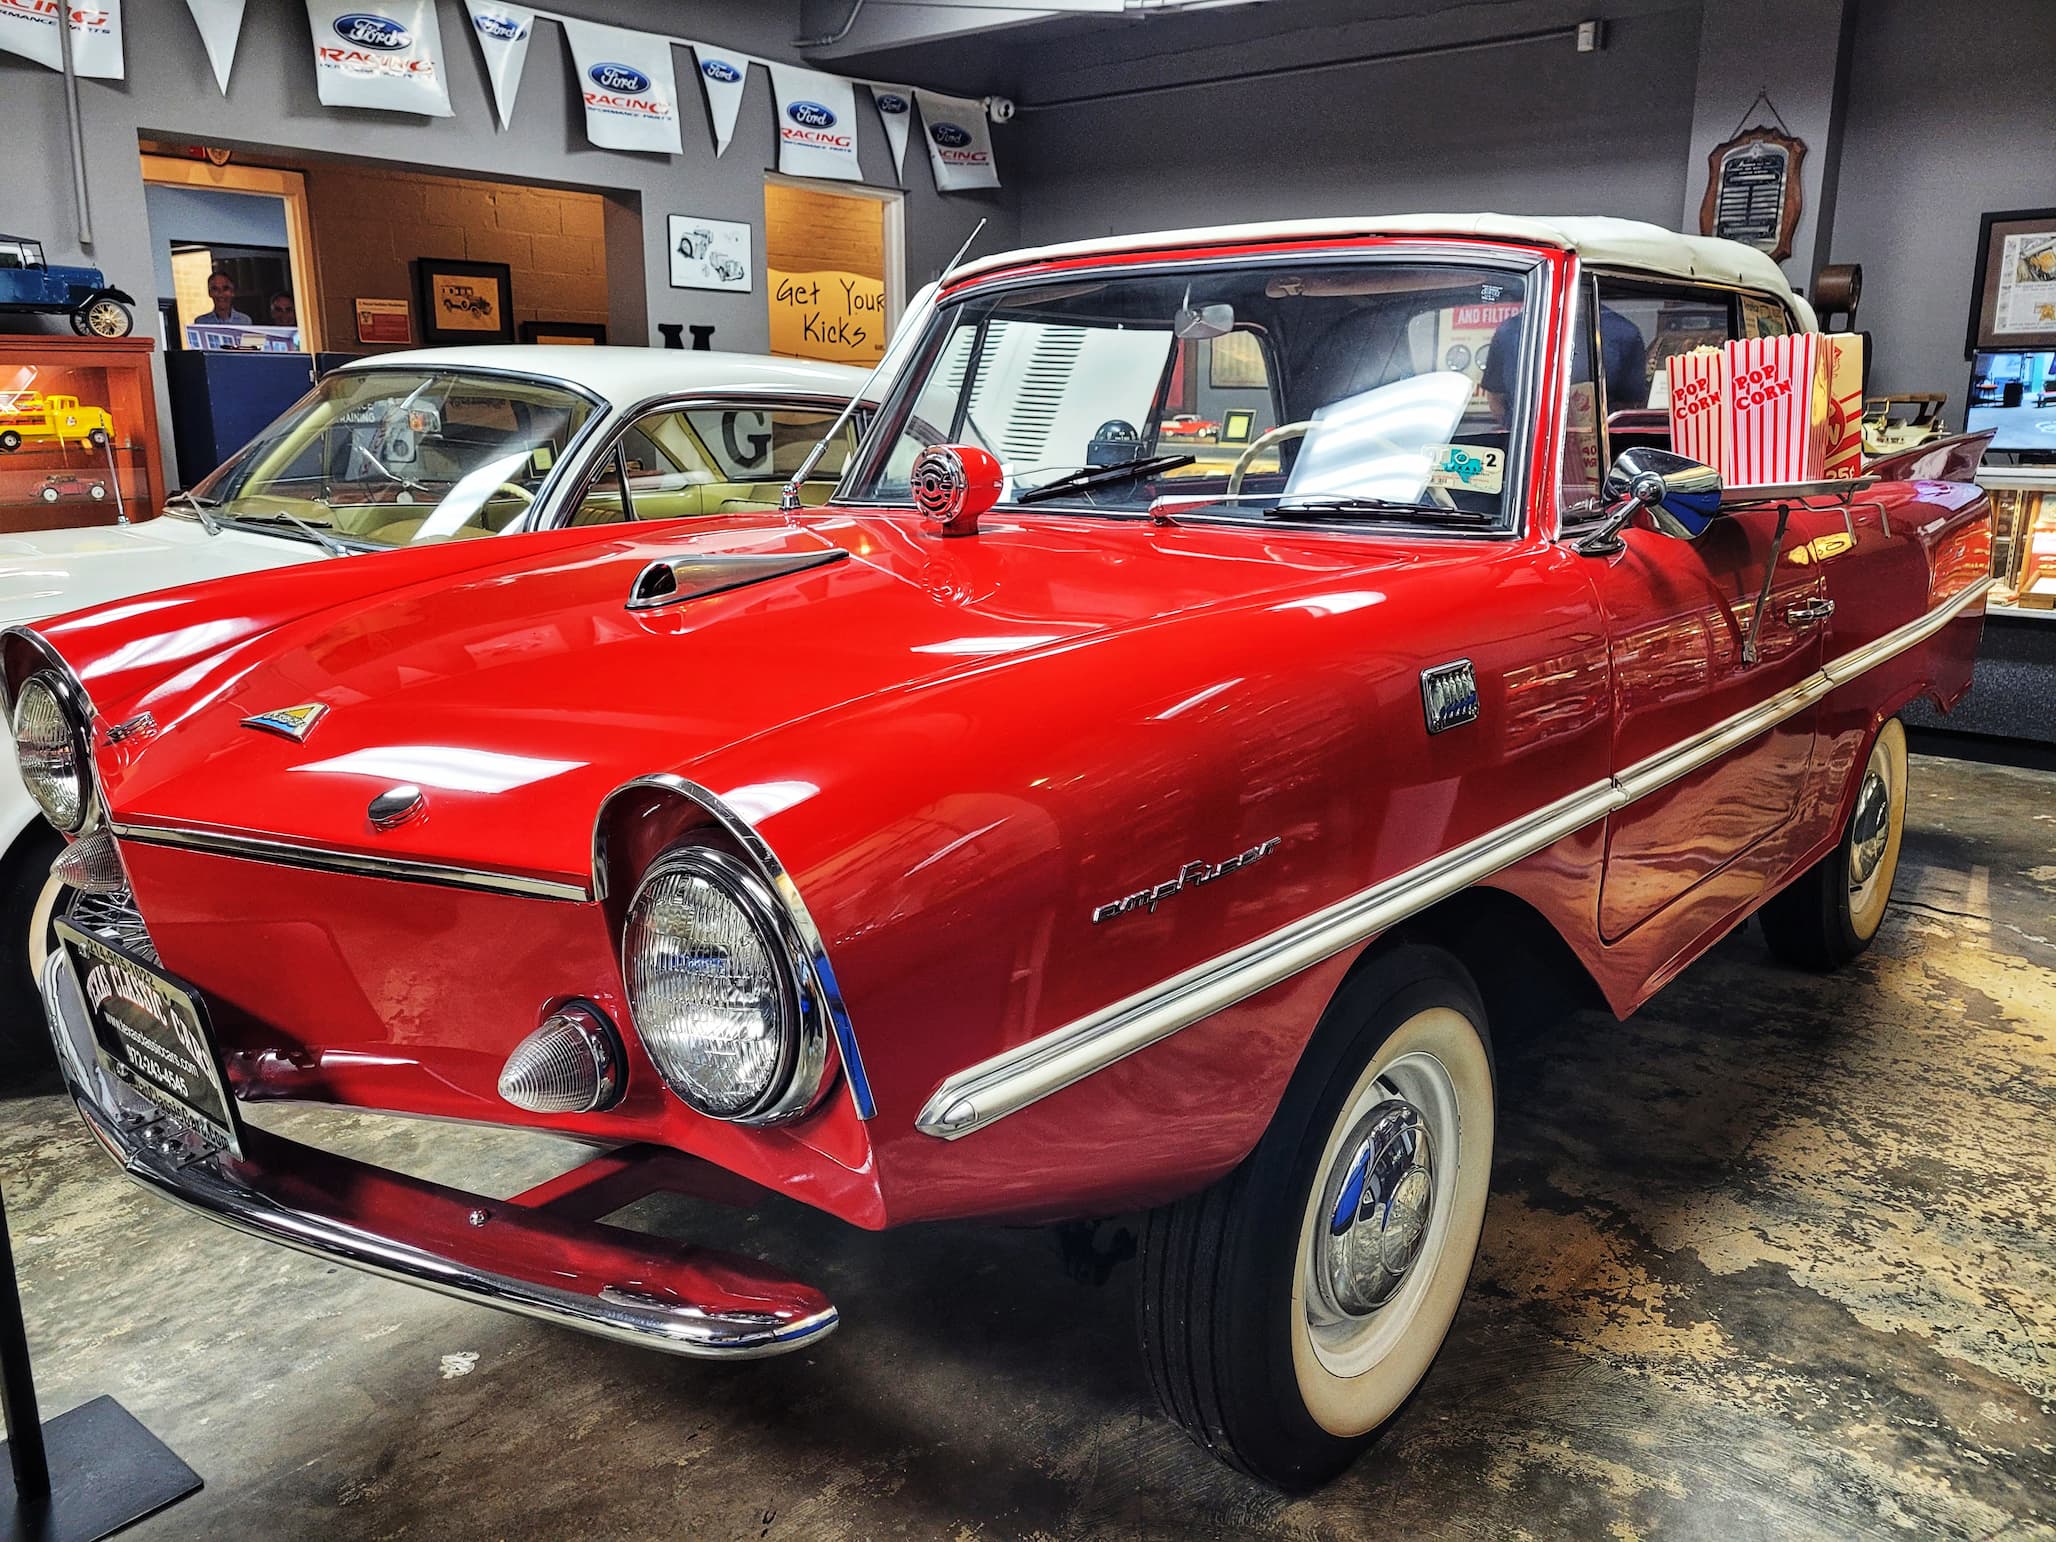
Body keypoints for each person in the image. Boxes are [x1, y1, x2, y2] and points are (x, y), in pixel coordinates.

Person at [1479, 304, 1649, 425]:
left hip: (1601, 454)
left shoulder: (1624, 334)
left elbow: (1630, 408)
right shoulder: (1511, 332)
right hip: (1526, 453)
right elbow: (1496, 399)